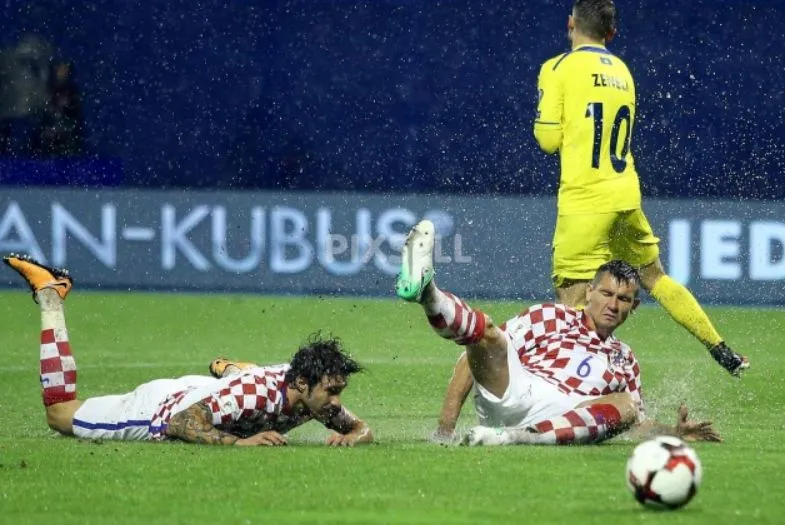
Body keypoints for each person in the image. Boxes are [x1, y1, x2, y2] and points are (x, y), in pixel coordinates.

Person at [532, 0, 748, 377]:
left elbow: (548, 140)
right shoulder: (622, 70)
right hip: (625, 196)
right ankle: (719, 346)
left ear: (570, 24)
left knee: (573, 310)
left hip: (585, 202)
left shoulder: (557, 67)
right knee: (655, 278)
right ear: (611, 33)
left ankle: (593, 389)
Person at [396, 220, 720, 446]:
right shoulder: (552, 316)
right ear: (589, 292)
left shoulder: (626, 360)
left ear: (633, 307)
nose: (612, 305)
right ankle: (428, 294)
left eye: (623, 299)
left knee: (627, 404)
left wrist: (673, 433)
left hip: (564, 417)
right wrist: (444, 431)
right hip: (516, 390)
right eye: (606, 294)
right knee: (490, 336)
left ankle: (513, 438)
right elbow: (470, 359)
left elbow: (634, 425)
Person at [3, 254, 373, 447]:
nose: (337, 401)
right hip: (161, 407)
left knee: (240, 394)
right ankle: (52, 294)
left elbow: (361, 428)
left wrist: (351, 436)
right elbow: (180, 423)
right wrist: (240, 444)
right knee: (60, 414)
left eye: (339, 391)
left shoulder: (311, 396)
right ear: (303, 383)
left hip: (211, 391)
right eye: (332, 391)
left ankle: (236, 370)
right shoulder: (256, 396)